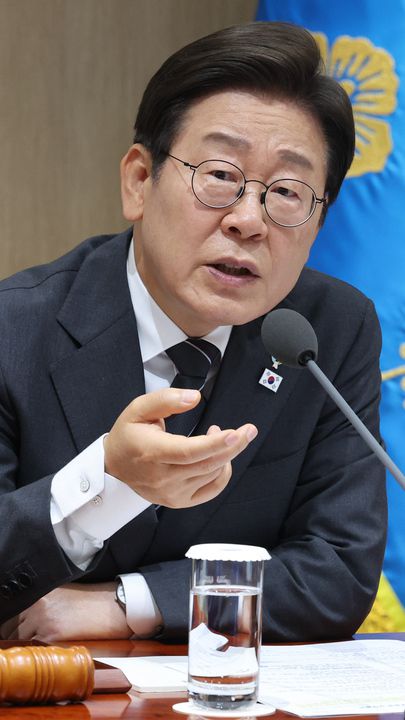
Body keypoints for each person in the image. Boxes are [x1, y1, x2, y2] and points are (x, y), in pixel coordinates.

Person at [0, 21, 386, 643]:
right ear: (139, 182)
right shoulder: (14, 329)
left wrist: (127, 603)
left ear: (318, 223)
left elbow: (338, 571)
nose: (248, 220)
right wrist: (108, 481)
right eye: (220, 175)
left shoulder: (329, 331)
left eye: (288, 192)